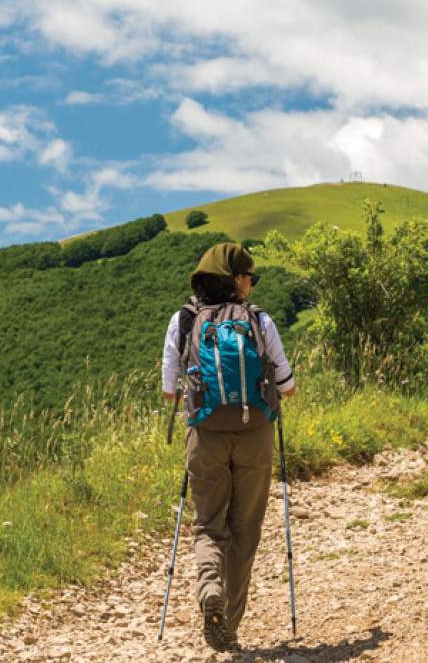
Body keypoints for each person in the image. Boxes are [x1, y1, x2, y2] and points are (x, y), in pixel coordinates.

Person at [161, 242, 296, 652]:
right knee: (245, 531)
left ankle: (209, 591)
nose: (252, 285)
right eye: (249, 277)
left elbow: (169, 391)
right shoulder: (260, 320)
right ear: (235, 279)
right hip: (255, 434)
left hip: (205, 437)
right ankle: (230, 626)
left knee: (209, 526)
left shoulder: (183, 320)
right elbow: (287, 388)